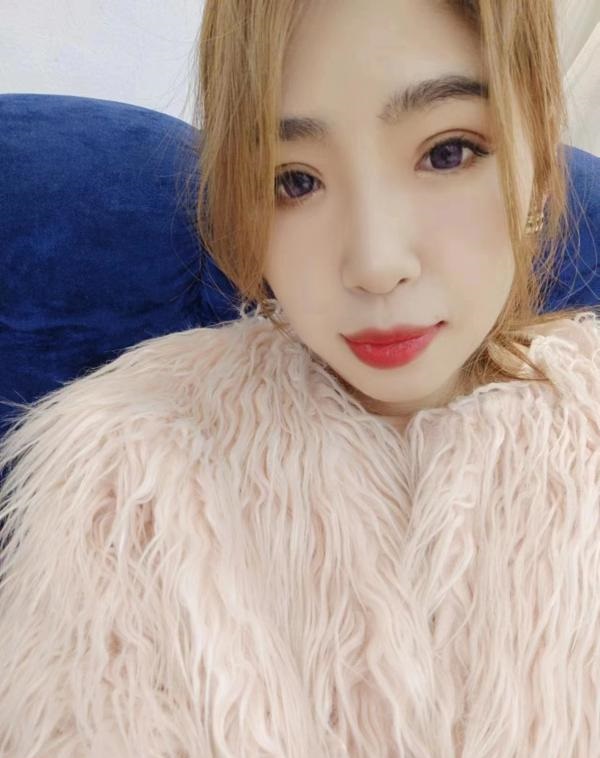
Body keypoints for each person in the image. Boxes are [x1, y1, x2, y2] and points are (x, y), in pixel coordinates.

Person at [0, 1, 599, 756]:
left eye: (448, 152)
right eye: (294, 181)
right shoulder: (127, 485)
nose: (376, 263)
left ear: (538, 161)